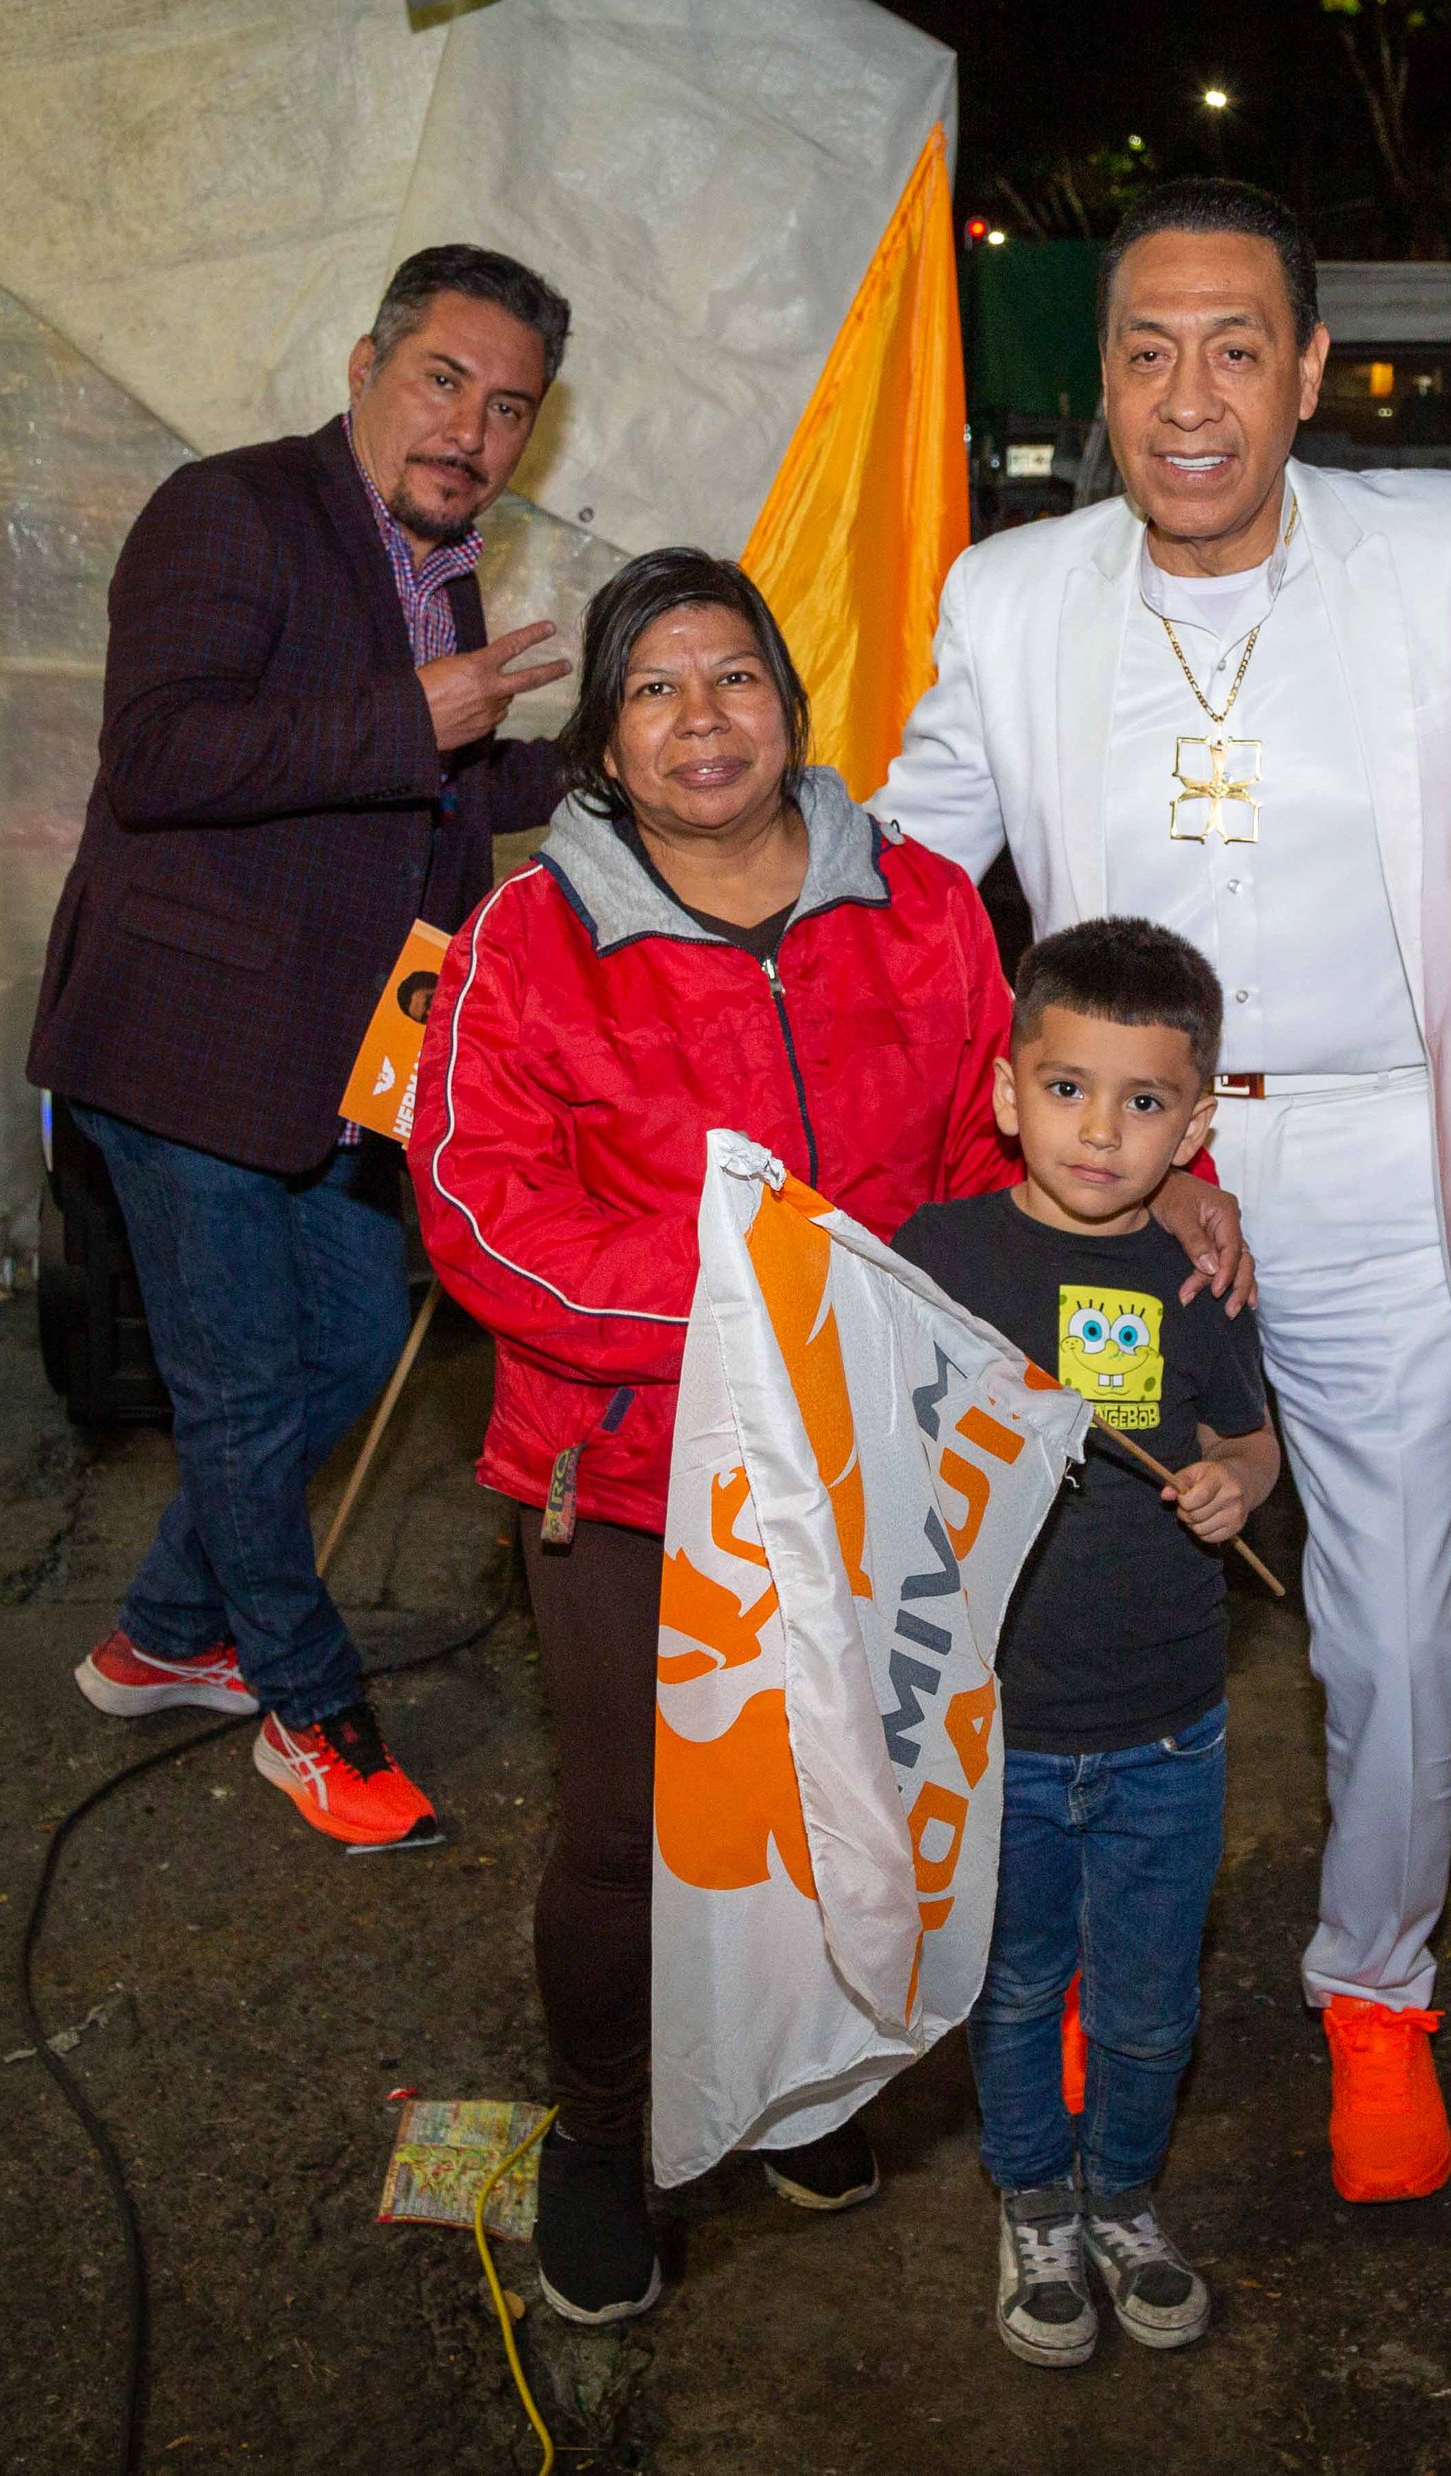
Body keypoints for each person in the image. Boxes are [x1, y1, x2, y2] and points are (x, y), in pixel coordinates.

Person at [406, 551, 1247, 2326]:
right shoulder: (527, 945)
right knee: (631, 1830)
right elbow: (484, 1220)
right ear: (603, 743)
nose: (700, 719)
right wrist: (760, 1315)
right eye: (654, 689)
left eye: (734, 678)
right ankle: (608, 2133)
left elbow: (1007, 1134)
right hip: (636, 1472)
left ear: (791, 710)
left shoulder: (920, 906)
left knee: (842, 1801)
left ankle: (798, 2082)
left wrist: (1167, 1191)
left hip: (882, 1467)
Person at [877, 178, 1451, 2204]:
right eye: (1143, 352)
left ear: (1307, 369)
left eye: (1231, 349)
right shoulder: (1014, 598)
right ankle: (1067, 1953)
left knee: (1396, 1633)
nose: (1186, 398)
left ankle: (1376, 1992)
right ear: (1100, 380)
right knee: (1074, 1577)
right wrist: (679, 894)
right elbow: (904, 879)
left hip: (1383, 1158)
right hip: (1118, 1171)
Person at [33, 243, 576, 1850]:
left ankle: (161, 1633)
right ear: (365, 366)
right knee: (242, 1393)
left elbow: (428, 787)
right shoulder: (234, 509)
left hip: (336, 1062)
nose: (470, 430)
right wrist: (419, 715)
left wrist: (604, 771)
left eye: (509, 408)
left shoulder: (436, 558)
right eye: (443, 381)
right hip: (185, 1044)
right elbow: (161, 753)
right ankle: (306, 1704)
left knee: (347, 1349)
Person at [895, 918, 1278, 2369]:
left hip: (1170, 1727)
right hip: (996, 1731)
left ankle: (1123, 2196)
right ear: (1007, 1094)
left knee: (1147, 2005)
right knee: (1011, 1986)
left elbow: (1250, 1436)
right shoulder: (936, 1258)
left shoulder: (1191, 1278)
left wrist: (1236, 1482)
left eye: (1143, 1101)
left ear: (1196, 1126)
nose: (1101, 1132)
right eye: (1067, 1089)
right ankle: (1034, 2203)